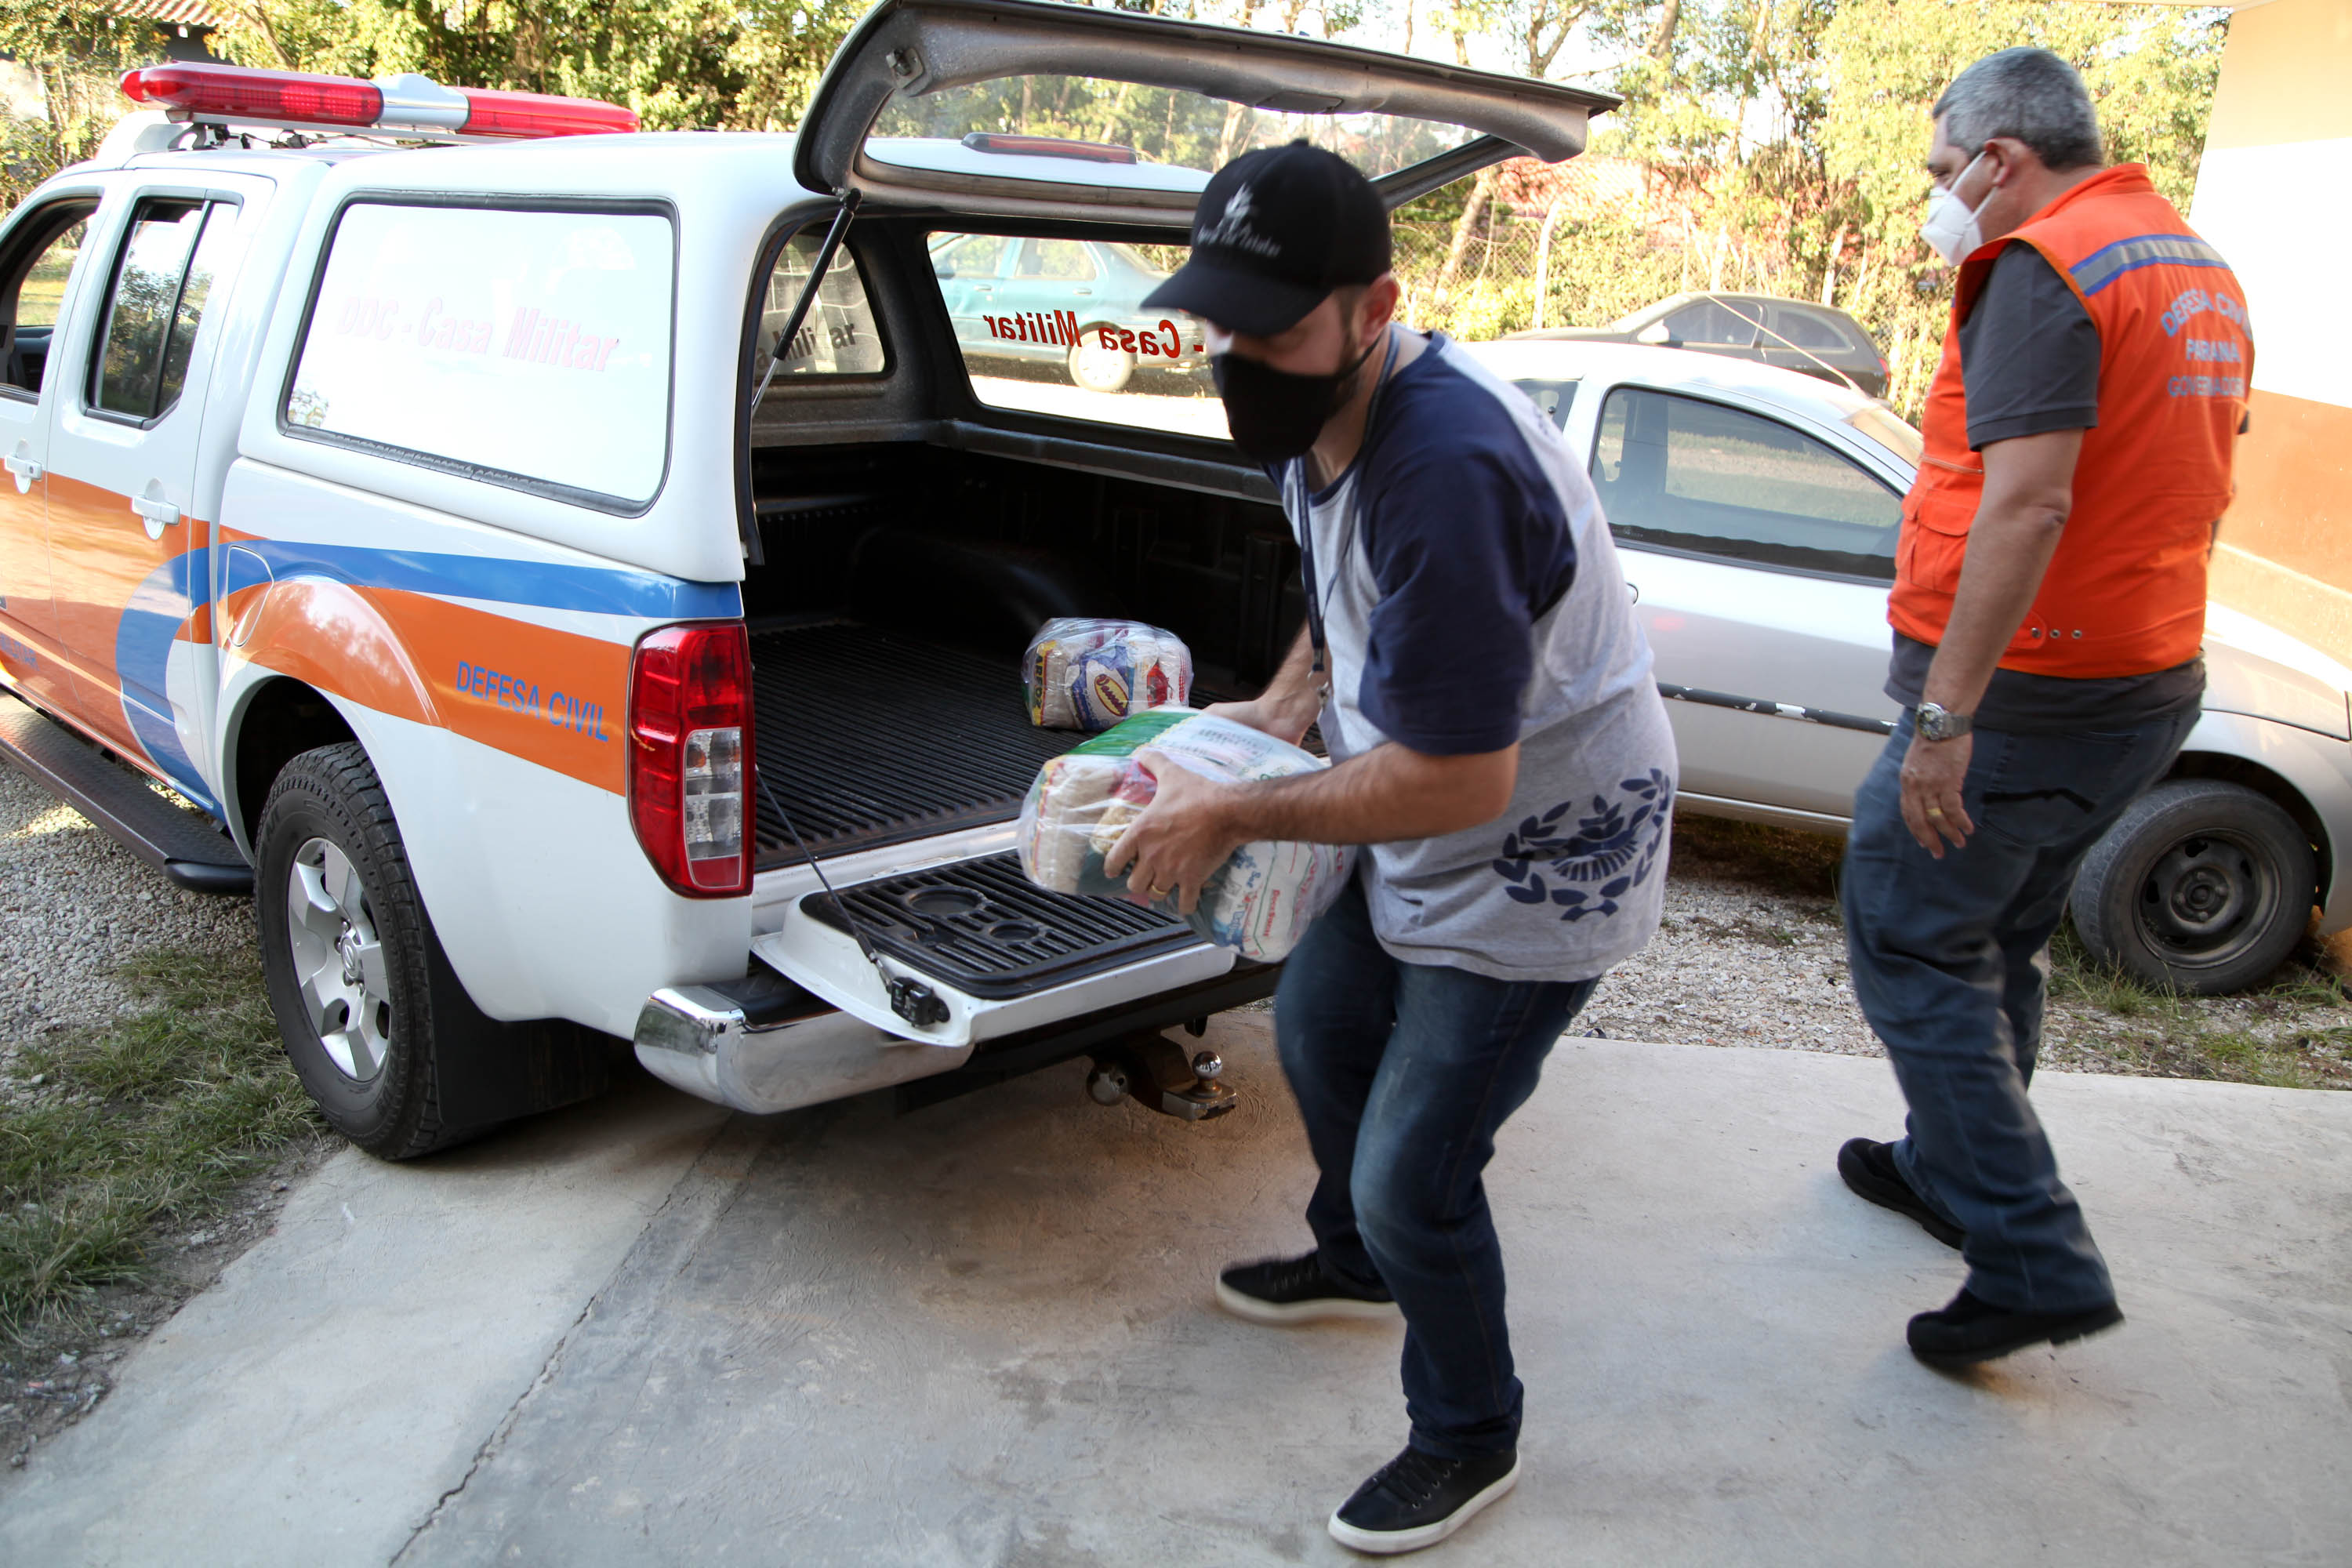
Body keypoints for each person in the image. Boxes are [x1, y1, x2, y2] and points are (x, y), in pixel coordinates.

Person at [1104, 141, 1676, 1555]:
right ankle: (1361, 1262)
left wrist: (1234, 807)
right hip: (1422, 803)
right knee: (1318, 1021)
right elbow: (1344, 595)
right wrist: (1282, 705)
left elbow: (1458, 777)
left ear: (1376, 309)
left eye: (1274, 330)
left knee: (1420, 1168)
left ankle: (1468, 1433)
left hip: (1538, 850)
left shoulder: (1451, 467)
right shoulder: (1328, 418)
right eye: (1219, 326)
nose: (1239, 358)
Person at [1836, 49, 2252, 1369]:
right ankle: (1949, 1173)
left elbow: (2030, 500)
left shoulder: (2047, 265)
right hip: (2141, 680)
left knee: (1911, 939)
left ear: (2001, 157)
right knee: (1999, 937)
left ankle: (2031, 1254)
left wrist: (1946, 723)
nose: (1937, 198)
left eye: (1940, 171)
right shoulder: (2185, 261)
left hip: (2026, 696)